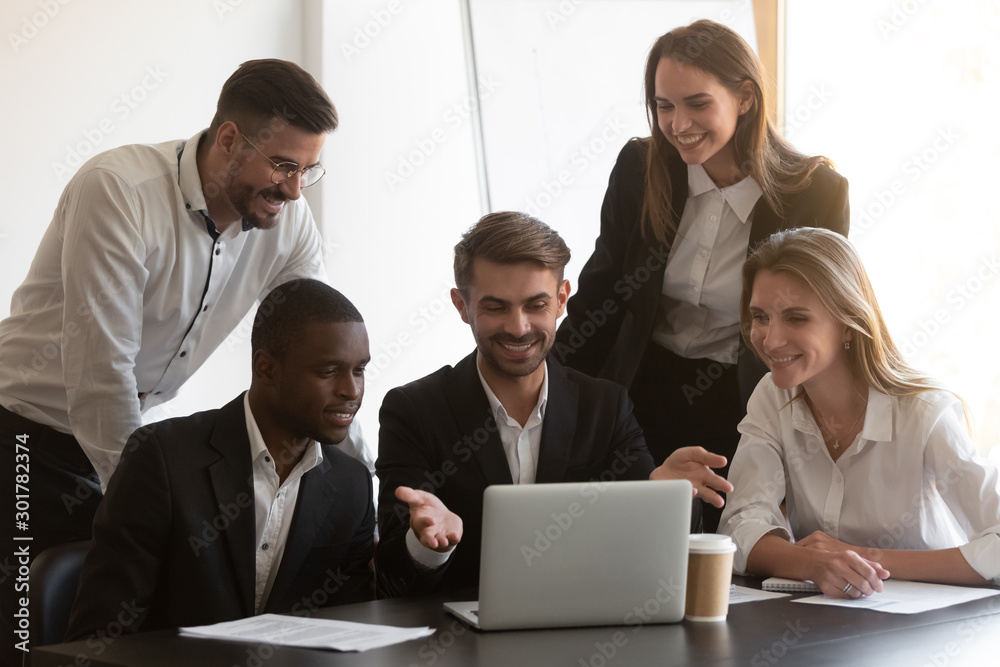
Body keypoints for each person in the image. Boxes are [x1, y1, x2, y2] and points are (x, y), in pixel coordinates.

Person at [0, 58, 370, 658]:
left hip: (121, 436)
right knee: (26, 635)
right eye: (282, 165)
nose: (295, 189)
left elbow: (320, 355)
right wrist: (153, 504)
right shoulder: (118, 191)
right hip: (23, 437)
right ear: (228, 138)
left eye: (308, 170)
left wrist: (359, 486)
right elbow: (101, 378)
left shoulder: (288, 220)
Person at [554, 19, 850, 531]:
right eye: (663, 106)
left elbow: (823, 326)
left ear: (745, 99)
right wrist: (543, 383)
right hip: (641, 387)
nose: (677, 124)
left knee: (728, 548)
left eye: (696, 104)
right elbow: (601, 290)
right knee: (633, 536)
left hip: (745, 395)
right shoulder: (641, 167)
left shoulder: (815, 193)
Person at [375, 211, 733, 598]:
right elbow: (391, 577)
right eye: (496, 307)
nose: (519, 327)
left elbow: (650, 554)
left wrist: (673, 498)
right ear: (462, 305)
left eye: (535, 305)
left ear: (562, 299)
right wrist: (427, 546)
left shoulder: (606, 407)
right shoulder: (412, 411)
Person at [65, 279, 375, 639]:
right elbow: (100, 636)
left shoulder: (352, 483)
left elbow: (351, 631)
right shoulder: (162, 458)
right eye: (329, 371)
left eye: (360, 370)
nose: (351, 390)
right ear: (267, 369)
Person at [719, 228, 1000, 598]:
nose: (770, 340)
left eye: (796, 318)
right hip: (824, 623)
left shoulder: (925, 413)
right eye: (760, 317)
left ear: (848, 321)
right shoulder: (772, 397)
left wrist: (863, 558)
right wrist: (813, 564)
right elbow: (740, 525)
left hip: (929, 630)